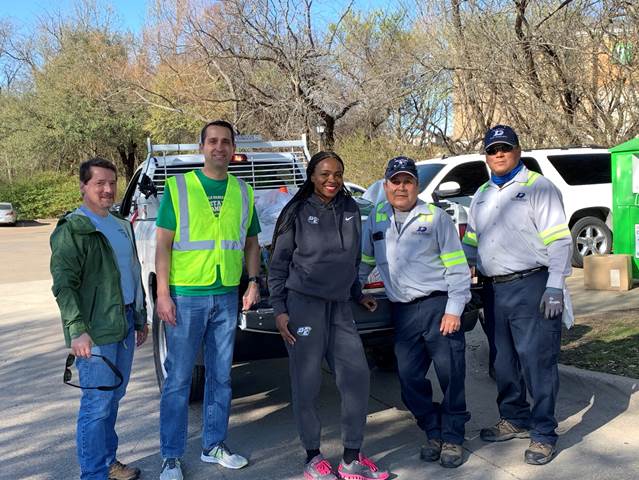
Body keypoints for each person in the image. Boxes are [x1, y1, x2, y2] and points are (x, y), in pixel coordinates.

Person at [268, 151, 389, 480]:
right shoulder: (296, 211)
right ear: (311, 176)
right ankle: (312, 455)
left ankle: (351, 457)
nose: (332, 180)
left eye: (337, 173)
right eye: (324, 174)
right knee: (306, 383)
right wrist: (280, 310)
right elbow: (278, 265)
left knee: (356, 376)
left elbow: (351, 259)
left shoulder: (350, 208)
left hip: (339, 306)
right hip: (303, 304)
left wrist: (357, 294)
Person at [155, 120, 261, 480]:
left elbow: (250, 243)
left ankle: (213, 446)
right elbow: (163, 245)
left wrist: (253, 282)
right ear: (202, 147)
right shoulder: (179, 187)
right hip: (186, 297)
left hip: (226, 295)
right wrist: (163, 293)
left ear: (233, 149)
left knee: (221, 378)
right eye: (212, 141)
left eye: (226, 142)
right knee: (179, 380)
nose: (219, 147)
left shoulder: (243, 192)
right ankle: (170, 457)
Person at [462, 125, 572, 465]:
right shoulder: (481, 194)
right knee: (504, 361)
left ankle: (543, 433)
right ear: (486, 155)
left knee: (536, 362)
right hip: (495, 289)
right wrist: (463, 271)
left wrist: (555, 285)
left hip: (533, 285)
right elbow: (471, 241)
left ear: (518, 150)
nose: (498, 154)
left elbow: (560, 241)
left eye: (504, 148)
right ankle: (515, 416)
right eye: (493, 149)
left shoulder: (538, 187)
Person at [359, 156, 471, 469]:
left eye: (408, 181)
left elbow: (458, 268)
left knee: (452, 376)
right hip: (403, 312)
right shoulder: (377, 217)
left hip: (438, 307)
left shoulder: (436, 217)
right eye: (396, 181)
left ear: (416, 186)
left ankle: (452, 437)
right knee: (408, 379)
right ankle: (433, 428)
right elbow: (366, 260)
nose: (402, 187)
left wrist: (454, 309)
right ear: (386, 186)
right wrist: (356, 288)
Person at [50, 157, 148, 480]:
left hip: (123, 323)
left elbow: (133, 272)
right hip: (94, 331)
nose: (107, 190)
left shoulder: (121, 224)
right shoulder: (73, 229)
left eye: (111, 183)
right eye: (99, 184)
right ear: (83, 187)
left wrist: (140, 316)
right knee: (97, 405)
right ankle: (92, 473)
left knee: (113, 399)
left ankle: (107, 461)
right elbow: (64, 285)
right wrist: (76, 330)